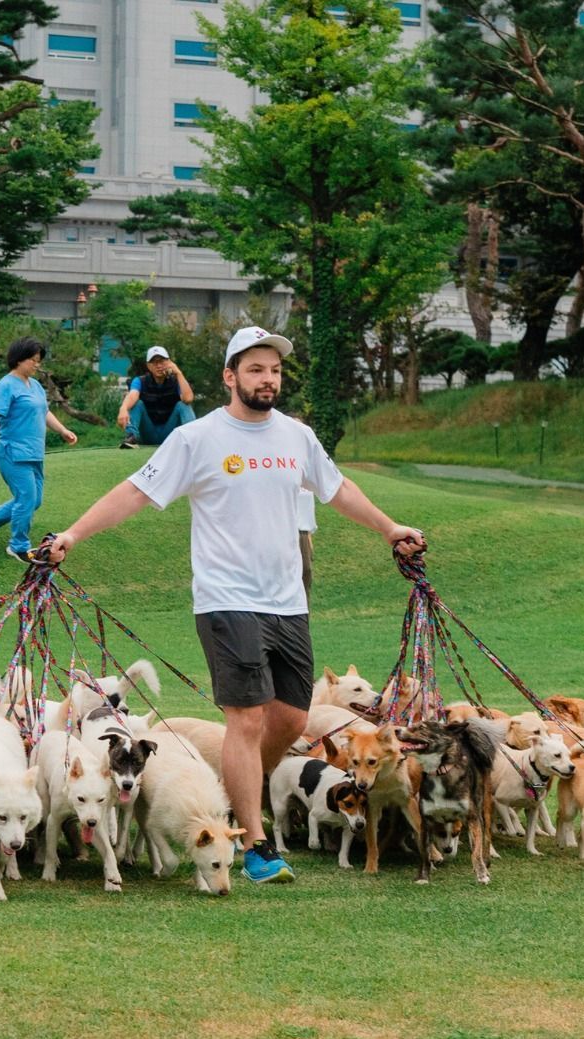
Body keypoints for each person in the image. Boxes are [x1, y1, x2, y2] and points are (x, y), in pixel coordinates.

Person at [46, 326, 424, 885]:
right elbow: (134, 491)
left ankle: (233, 790)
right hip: (226, 600)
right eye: (255, 369)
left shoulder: (297, 436)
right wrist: (73, 535)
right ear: (229, 376)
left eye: (274, 370)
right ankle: (256, 844)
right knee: (245, 720)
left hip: (288, 601)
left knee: (291, 717)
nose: (267, 379)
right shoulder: (198, 439)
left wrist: (390, 528)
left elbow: (338, 489)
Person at [0, 336, 77, 562]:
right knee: (27, 498)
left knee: (33, 500)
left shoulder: (36, 385)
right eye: (32, 359)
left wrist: (63, 430)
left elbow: (44, 412)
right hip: (13, 454)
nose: (36, 364)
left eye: (38, 360)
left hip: (35, 454)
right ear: (18, 359)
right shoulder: (5, 386)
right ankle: (18, 546)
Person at [116, 345, 195, 448]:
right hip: (148, 433)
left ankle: (193, 440)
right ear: (149, 366)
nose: (158, 365)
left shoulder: (177, 381)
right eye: (154, 362)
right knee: (137, 403)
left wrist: (178, 373)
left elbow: (188, 399)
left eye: (162, 361)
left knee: (183, 404)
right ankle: (131, 437)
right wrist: (123, 408)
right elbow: (133, 395)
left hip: (171, 434)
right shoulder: (140, 381)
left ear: (169, 362)